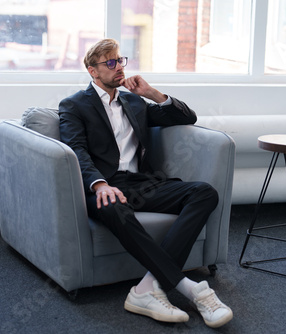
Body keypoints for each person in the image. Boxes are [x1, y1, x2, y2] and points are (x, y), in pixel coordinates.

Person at [58, 38, 233, 328]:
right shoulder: (74, 105)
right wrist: (100, 185)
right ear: (92, 71)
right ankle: (192, 290)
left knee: (204, 193)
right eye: (109, 63)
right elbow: (76, 149)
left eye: (120, 60)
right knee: (114, 205)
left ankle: (146, 288)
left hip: (140, 182)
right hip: (102, 187)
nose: (118, 67)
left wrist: (151, 92)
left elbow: (186, 116)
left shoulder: (133, 100)